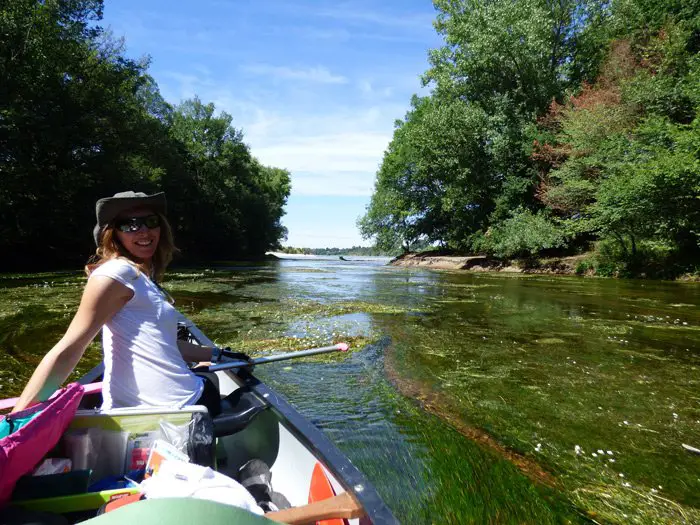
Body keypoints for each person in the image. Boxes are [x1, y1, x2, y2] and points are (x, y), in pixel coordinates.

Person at [11, 191, 226, 416]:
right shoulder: (116, 273)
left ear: (161, 227)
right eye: (129, 225)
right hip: (178, 409)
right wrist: (16, 419)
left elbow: (166, 345)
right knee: (209, 377)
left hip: (181, 400)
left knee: (206, 372)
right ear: (113, 234)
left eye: (150, 221)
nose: (143, 230)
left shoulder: (142, 277)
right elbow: (70, 349)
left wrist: (215, 354)